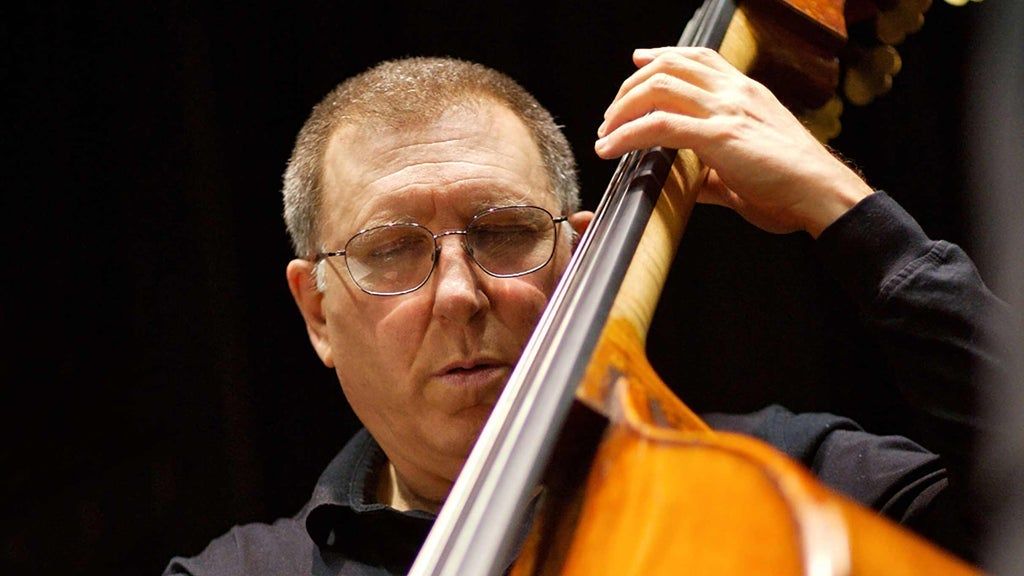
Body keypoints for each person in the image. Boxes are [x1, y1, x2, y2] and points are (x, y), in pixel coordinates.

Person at [164, 48, 1006, 575]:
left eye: (504, 233)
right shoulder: (237, 575)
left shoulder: (789, 481)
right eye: (390, 251)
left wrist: (842, 207)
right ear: (317, 313)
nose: (458, 293)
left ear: (575, 260)